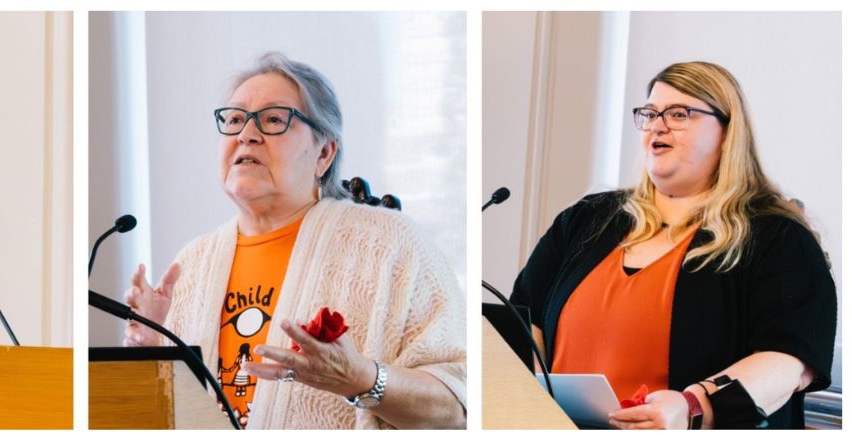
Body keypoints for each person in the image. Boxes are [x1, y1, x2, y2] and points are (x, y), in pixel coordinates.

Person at [122, 53, 466, 429]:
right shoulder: (192, 263)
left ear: (324, 154)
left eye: (273, 120)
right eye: (235, 119)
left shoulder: (392, 245)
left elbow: (459, 404)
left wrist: (364, 380)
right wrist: (151, 354)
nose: (246, 134)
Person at [511, 61, 836, 429]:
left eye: (680, 114)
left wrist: (692, 408)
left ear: (728, 132)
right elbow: (524, 317)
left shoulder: (776, 236)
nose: (657, 125)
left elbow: (789, 361)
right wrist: (532, 391)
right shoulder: (587, 219)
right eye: (649, 113)